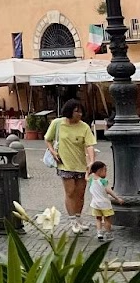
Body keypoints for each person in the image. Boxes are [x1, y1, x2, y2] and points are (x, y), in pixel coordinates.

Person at [45, 99, 96, 232]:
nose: (79, 114)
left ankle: (79, 219)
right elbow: (48, 139)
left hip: (81, 165)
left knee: (80, 194)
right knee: (70, 192)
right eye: (76, 111)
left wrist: (91, 161)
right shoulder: (57, 123)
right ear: (69, 111)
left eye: (81, 111)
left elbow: (90, 144)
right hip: (64, 164)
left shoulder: (84, 126)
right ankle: (73, 221)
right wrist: (52, 151)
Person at [86, 160, 120, 240]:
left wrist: (88, 172)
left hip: (95, 204)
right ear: (99, 171)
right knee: (107, 219)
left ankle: (99, 233)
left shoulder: (91, 180)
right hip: (105, 204)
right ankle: (108, 234)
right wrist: (117, 198)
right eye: (105, 170)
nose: (106, 173)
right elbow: (109, 191)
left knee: (98, 218)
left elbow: (86, 178)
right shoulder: (103, 181)